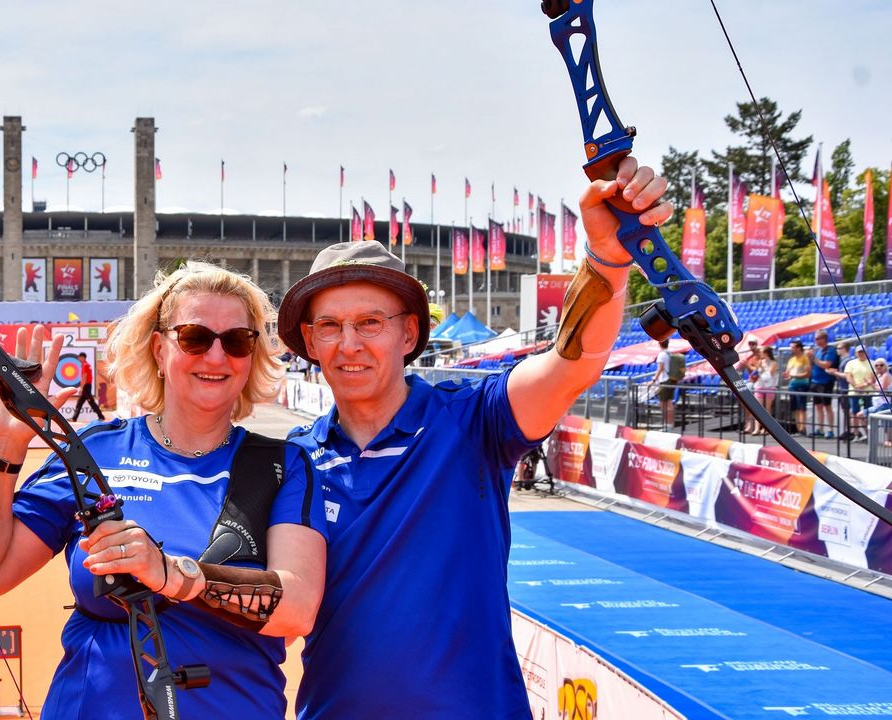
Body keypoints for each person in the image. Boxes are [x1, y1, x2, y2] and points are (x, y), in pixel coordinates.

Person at [277, 158, 670, 718]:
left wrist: (607, 256)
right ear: (310, 343)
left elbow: (570, 366)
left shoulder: (471, 420)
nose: (350, 344)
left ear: (408, 332)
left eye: (370, 322)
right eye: (330, 327)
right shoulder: (294, 458)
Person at [0, 261, 326, 720]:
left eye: (237, 341)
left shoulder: (281, 465)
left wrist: (170, 574)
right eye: (194, 338)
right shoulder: (98, 451)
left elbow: (298, 607)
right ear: (159, 348)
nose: (216, 356)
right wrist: (3, 447)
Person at [831, 345, 876, 441]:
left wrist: (862, 386)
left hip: (867, 392)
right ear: (856, 353)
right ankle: (856, 434)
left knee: (866, 413)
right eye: (859, 352)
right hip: (854, 392)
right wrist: (856, 386)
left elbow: (872, 377)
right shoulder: (851, 363)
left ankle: (868, 435)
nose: (861, 354)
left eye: (863, 352)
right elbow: (848, 376)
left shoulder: (872, 363)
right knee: (854, 413)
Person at [809, 329, 839, 437]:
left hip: (825, 381)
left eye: (817, 338)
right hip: (815, 381)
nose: (815, 340)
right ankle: (820, 429)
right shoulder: (818, 350)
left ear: (823, 339)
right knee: (818, 406)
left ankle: (830, 429)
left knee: (827, 406)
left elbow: (826, 364)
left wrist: (814, 359)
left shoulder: (830, 350)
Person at [650, 338, 682, 427]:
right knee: (669, 402)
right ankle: (670, 423)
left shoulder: (662, 355)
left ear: (660, 343)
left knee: (663, 403)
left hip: (665, 381)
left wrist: (653, 380)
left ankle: (667, 424)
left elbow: (660, 368)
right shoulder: (670, 353)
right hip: (671, 380)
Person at [748, 346, 778, 436]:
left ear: (766, 353)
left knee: (767, 409)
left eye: (761, 352)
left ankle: (766, 428)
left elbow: (770, 374)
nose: (760, 353)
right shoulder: (760, 362)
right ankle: (757, 428)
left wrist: (762, 368)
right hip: (759, 386)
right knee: (759, 408)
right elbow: (756, 373)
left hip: (769, 386)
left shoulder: (774, 363)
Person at [786, 340, 812, 435]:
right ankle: (798, 428)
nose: (791, 349)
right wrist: (788, 375)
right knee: (795, 408)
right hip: (792, 385)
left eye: (793, 347)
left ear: (799, 348)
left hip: (801, 385)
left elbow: (807, 373)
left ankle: (802, 428)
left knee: (801, 407)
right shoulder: (791, 360)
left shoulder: (805, 358)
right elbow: (788, 373)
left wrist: (795, 376)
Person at [71, 351, 106, 421]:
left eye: (79, 357)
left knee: (91, 402)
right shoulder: (86, 365)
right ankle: (74, 418)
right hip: (87, 386)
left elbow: (84, 377)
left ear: (83, 357)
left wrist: (81, 388)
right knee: (80, 403)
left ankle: (101, 416)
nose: (78, 359)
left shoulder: (85, 365)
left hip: (86, 387)